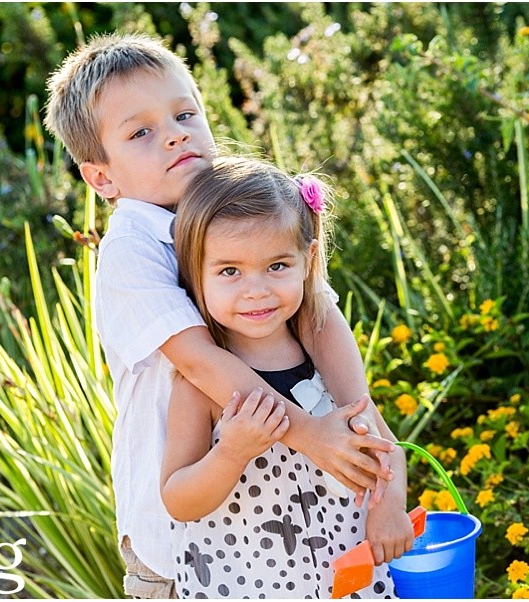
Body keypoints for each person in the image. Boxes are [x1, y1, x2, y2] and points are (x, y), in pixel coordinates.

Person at [43, 33, 398, 598]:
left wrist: (359, 423)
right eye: (141, 133)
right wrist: (310, 433)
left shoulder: (239, 201)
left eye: (185, 113)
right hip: (186, 539)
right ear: (103, 178)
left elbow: (318, 316)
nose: (175, 134)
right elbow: (199, 359)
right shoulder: (132, 248)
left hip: (293, 529)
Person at [163, 157, 413, 598]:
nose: (256, 289)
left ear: (307, 258)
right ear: (194, 273)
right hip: (248, 585)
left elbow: (386, 448)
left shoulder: (323, 361)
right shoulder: (200, 382)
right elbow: (178, 499)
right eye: (229, 271)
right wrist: (231, 453)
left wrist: (389, 509)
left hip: (347, 577)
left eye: (277, 266)